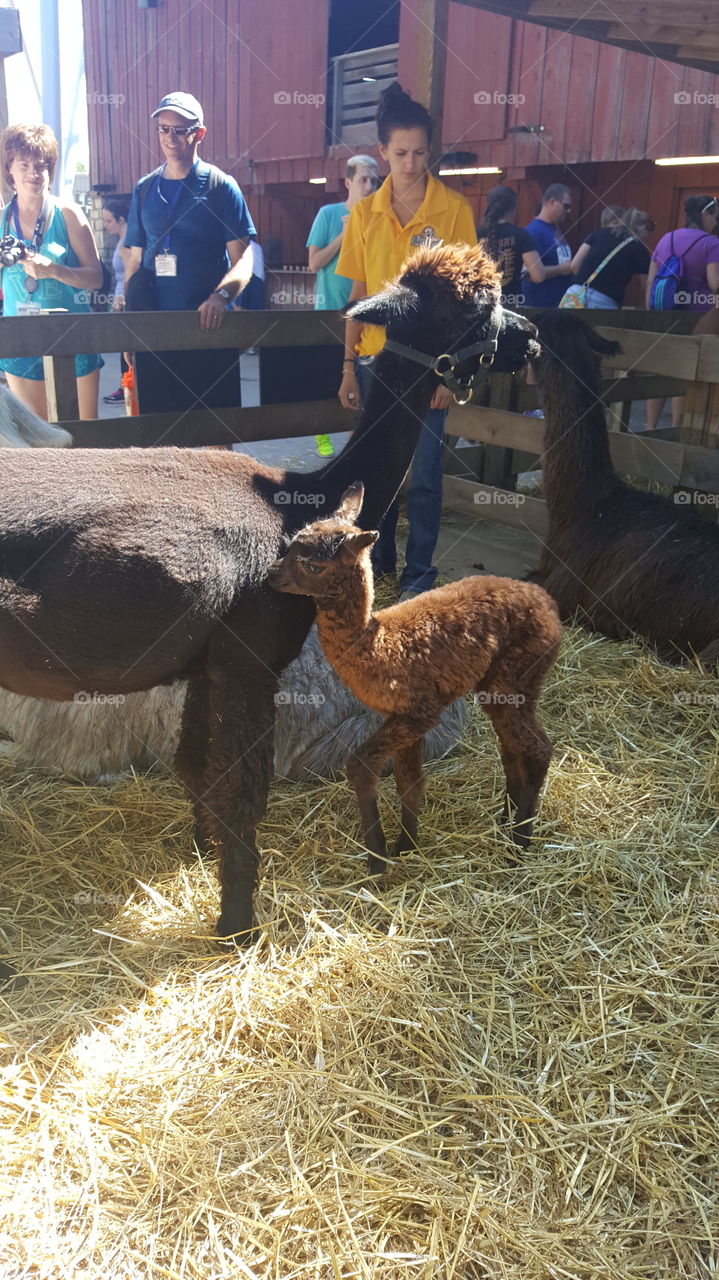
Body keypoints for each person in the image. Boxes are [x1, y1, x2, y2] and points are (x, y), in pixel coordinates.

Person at [337, 82, 476, 600]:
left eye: (420, 152)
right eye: (400, 153)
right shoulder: (364, 213)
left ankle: (419, 575)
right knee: (377, 470)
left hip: (430, 365)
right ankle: (380, 564)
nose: (411, 163)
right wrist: (347, 366)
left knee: (425, 476)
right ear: (382, 152)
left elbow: (466, 300)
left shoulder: (453, 210)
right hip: (376, 361)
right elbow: (357, 295)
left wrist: (451, 375)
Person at [124, 92, 255, 415]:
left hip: (208, 329)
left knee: (214, 428)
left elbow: (244, 260)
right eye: (164, 129)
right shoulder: (144, 188)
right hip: (155, 331)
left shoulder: (220, 186)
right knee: (161, 429)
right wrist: (129, 328)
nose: (170, 138)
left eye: (180, 130)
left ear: (199, 133)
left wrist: (221, 297)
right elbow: (134, 262)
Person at [0, 123, 104, 419]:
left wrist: (54, 270)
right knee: (40, 437)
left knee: (85, 433)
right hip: (21, 341)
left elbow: (96, 278)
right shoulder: (2, 220)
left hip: (73, 337)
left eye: (41, 165)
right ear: (10, 169)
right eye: (24, 164)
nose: (34, 173)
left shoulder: (68, 214)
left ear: (50, 170)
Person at [307, 153, 378, 457]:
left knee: (358, 382)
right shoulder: (328, 214)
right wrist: (345, 235)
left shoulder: (379, 217)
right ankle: (320, 433)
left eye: (374, 180)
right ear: (348, 182)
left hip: (363, 313)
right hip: (328, 311)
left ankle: (353, 447)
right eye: (363, 179)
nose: (369, 186)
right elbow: (314, 263)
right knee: (325, 377)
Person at [645, 195, 719, 430]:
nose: (716, 222)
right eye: (715, 216)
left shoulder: (666, 239)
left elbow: (651, 280)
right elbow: (715, 283)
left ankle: (650, 427)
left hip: (665, 316)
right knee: (685, 372)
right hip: (697, 319)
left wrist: (651, 313)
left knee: (661, 371)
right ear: (705, 215)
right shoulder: (712, 244)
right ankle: (677, 429)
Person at [476, 183, 554, 307]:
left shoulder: (476, 234)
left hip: (481, 303)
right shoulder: (520, 235)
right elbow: (538, 276)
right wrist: (563, 269)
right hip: (511, 304)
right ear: (513, 208)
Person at [562, 204, 652, 309]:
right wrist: (649, 308)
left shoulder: (598, 233)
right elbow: (647, 283)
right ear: (643, 228)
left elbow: (575, 265)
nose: (647, 239)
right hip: (603, 301)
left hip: (574, 293)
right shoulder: (639, 248)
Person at [522, 183, 574, 307]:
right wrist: (562, 269)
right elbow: (529, 273)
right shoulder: (533, 231)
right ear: (552, 202)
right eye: (566, 206)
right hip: (538, 304)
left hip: (557, 303)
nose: (569, 211)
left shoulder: (555, 228)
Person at [101, 197, 131, 403]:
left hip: (125, 300)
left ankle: (126, 386)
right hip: (119, 297)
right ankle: (125, 384)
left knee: (125, 344)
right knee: (122, 345)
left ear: (121, 220)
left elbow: (130, 273)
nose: (105, 225)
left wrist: (121, 299)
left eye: (109, 220)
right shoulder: (121, 239)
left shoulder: (128, 242)